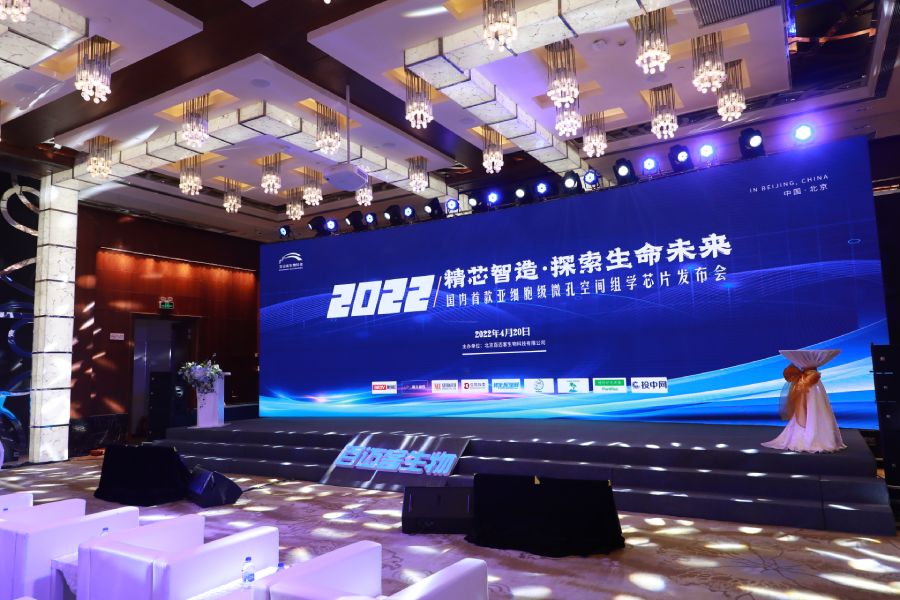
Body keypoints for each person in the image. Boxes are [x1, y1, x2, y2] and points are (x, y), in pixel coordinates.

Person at [762, 349, 846, 453]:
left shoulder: (812, 379)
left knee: (813, 405)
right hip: (809, 383)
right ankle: (813, 437)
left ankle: (810, 436)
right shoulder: (809, 379)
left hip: (811, 383)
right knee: (809, 406)